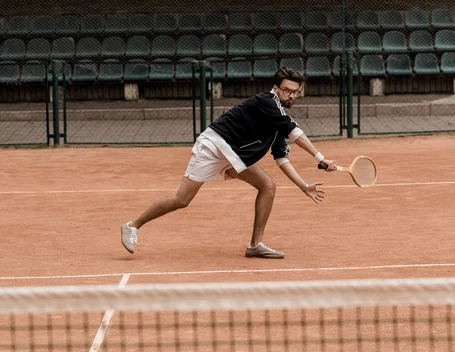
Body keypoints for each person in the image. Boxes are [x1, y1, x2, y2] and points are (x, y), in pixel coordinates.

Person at [121, 67, 337, 259]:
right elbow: (295, 132)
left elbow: (281, 158)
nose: (291, 95)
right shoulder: (267, 101)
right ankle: (132, 225)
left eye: (295, 92)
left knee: (268, 185)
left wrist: (304, 186)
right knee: (182, 200)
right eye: (287, 90)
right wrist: (320, 158)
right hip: (214, 147)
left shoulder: (278, 116)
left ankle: (255, 245)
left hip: (235, 156)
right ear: (276, 88)